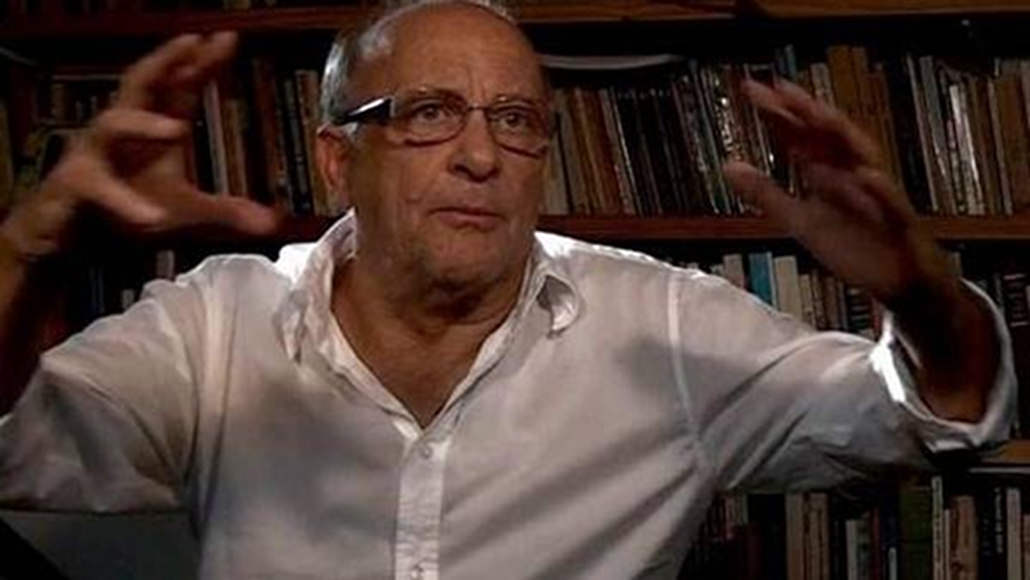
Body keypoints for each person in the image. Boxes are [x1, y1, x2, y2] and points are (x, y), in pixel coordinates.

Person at [0, 0, 1015, 577]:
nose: (482, 155)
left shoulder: (661, 326)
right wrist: (31, 249)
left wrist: (917, 289)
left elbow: (934, 417)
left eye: (517, 121)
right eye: (429, 114)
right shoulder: (217, 323)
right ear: (337, 160)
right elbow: (12, 447)